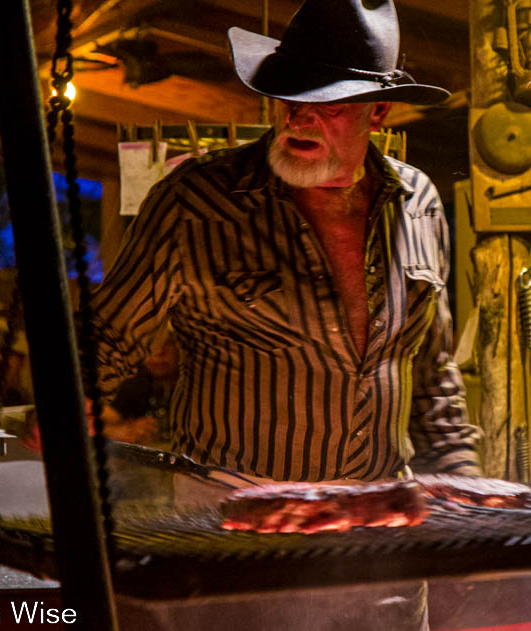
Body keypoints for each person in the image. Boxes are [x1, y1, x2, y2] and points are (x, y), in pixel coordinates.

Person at [91, 0, 480, 628]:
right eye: (287, 96)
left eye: (325, 101)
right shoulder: (199, 205)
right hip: (236, 542)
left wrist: (463, 488)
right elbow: (103, 338)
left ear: (378, 112)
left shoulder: (420, 203)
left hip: (380, 551)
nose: (298, 115)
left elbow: (431, 374)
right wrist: (68, 400)